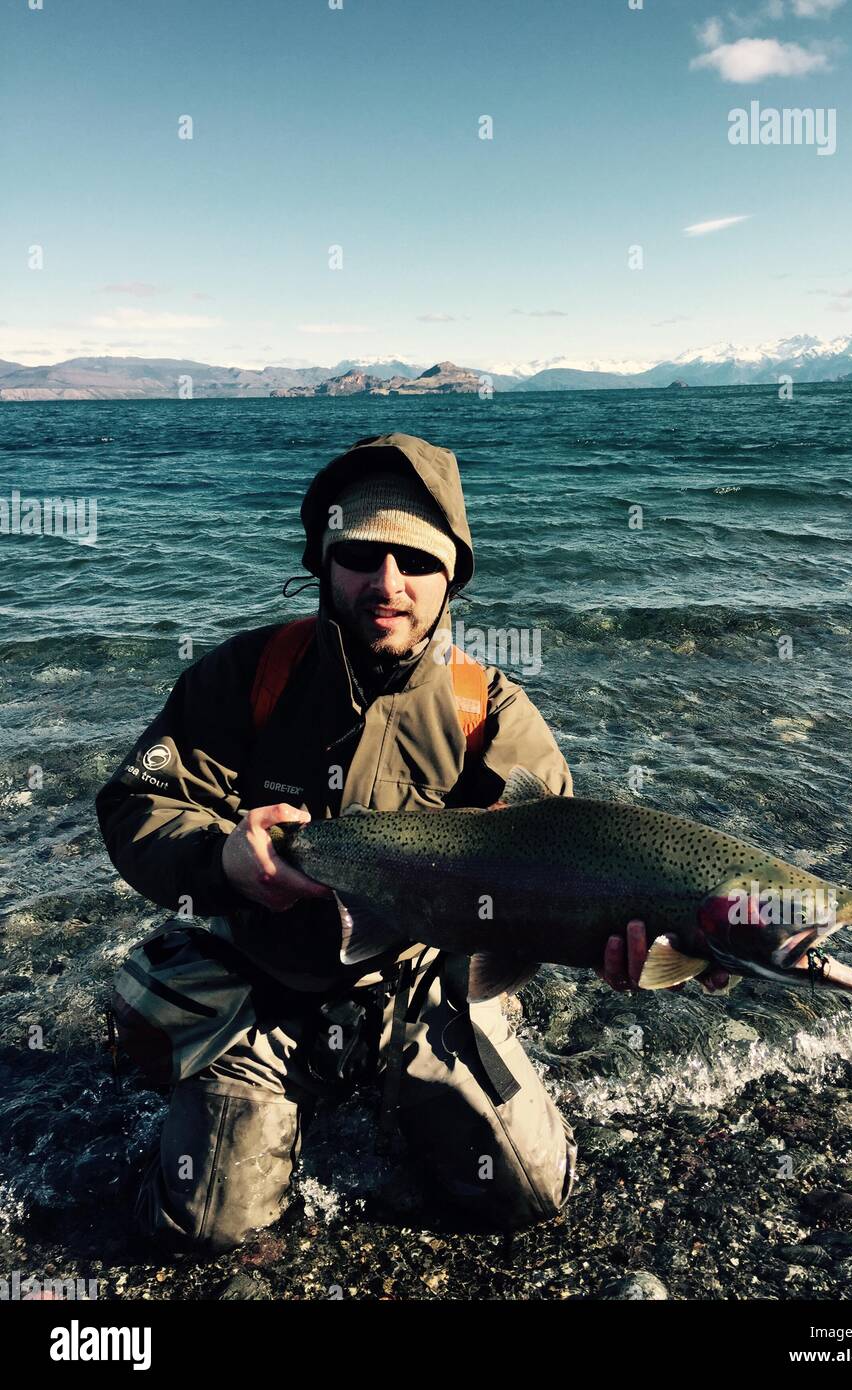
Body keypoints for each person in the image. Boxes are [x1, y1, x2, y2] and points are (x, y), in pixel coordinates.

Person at [95, 431, 665, 1254]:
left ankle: (402, 1082)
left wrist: (625, 944)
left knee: (531, 1197)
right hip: (264, 978)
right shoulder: (244, 676)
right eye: (361, 554)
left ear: (451, 577)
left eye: (417, 561)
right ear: (324, 562)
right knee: (207, 1229)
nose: (387, 584)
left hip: (420, 985)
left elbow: (566, 870)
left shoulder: (492, 714)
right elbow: (137, 801)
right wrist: (219, 858)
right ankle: (214, 1070)